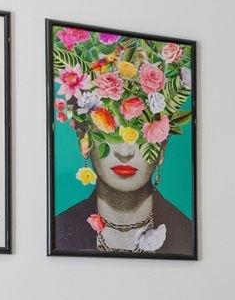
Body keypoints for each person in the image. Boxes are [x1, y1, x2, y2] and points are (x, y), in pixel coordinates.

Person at [49, 33, 195, 256]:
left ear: (162, 149)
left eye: (140, 134)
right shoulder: (60, 230)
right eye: (108, 131)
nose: (124, 152)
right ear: (84, 142)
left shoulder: (186, 232)